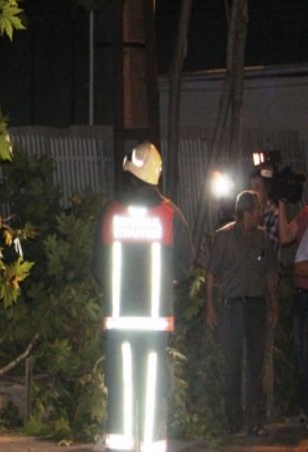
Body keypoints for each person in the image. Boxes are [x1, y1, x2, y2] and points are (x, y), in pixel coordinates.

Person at [93, 142, 194, 452]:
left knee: (121, 386)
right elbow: (186, 267)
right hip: (155, 325)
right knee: (153, 389)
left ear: (129, 173)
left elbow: (97, 266)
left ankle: (120, 445)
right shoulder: (170, 215)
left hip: (120, 322)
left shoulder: (111, 213)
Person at [205, 190, 279, 436]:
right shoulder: (223, 237)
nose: (260, 214)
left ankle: (255, 420)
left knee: (256, 364)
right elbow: (211, 273)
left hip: (256, 305)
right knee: (233, 363)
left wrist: (274, 305)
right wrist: (211, 307)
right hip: (232, 306)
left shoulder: (262, 239)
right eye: (258, 209)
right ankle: (234, 419)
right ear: (248, 212)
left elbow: (270, 274)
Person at [278, 198, 308, 427]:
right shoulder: (306, 213)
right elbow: (285, 237)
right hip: (302, 295)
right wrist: (281, 203)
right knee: (301, 354)